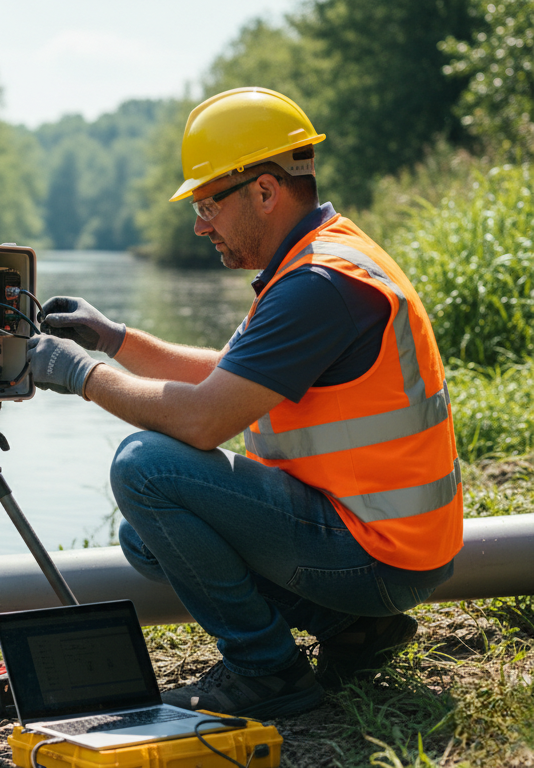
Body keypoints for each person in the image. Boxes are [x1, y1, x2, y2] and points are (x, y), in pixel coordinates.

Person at [25, 87, 462, 719]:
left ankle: (270, 673)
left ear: (264, 190)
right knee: (145, 540)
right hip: (385, 540)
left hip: (380, 558)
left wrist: (80, 373)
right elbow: (228, 380)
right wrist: (113, 338)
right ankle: (356, 631)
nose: (200, 225)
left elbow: (205, 418)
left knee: (144, 468)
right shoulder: (321, 260)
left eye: (208, 204)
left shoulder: (317, 285)